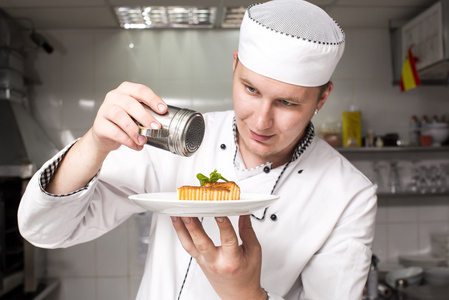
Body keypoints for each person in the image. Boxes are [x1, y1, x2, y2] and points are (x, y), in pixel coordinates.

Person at [18, 0, 377, 299]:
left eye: (286, 103)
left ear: (322, 98)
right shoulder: (180, 138)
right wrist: (94, 145)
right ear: (234, 66)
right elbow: (45, 230)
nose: (261, 121)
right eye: (250, 90)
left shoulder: (349, 195)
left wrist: (246, 294)